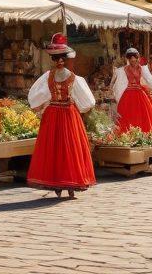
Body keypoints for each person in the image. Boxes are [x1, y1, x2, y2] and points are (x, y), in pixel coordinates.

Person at [26, 34, 96, 198]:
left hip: (61, 114)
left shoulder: (61, 77)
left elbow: (35, 97)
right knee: (61, 149)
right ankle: (62, 182)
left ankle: (64, 183)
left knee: (62, 148)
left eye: (60, 58)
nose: (59, 61)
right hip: (62, 113)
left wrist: (43, 103)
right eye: (57, 58)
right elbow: (88, 102)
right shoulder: (60, 77)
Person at [111, 48, 152, 139]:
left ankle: (144, 137)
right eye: (130, 58)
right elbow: (115, 84)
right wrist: (115, 95)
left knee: (143, 117)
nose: (133, 59)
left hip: (139, 95)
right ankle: (127, 137)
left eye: (134, 57)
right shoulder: (122, 70)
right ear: (128, 59)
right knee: (127, 116)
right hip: (128, 95)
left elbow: (150, 80)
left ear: (137, 58)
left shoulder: (142, 69)